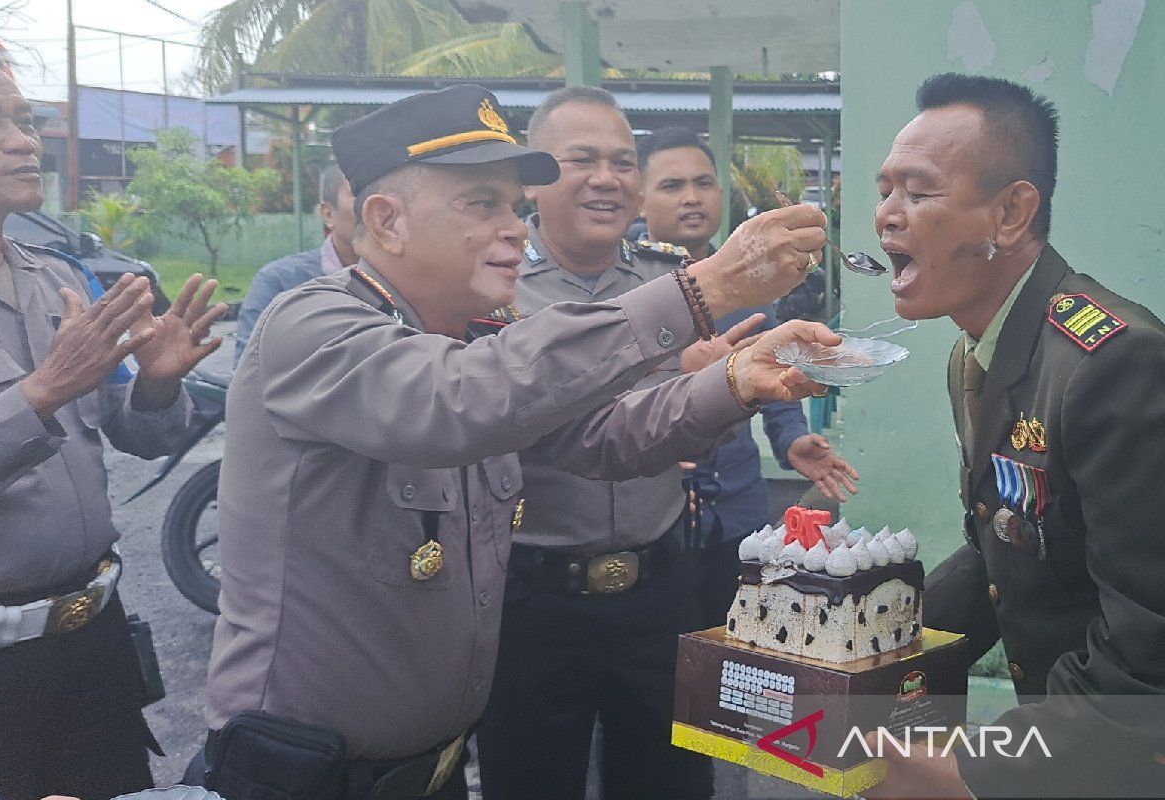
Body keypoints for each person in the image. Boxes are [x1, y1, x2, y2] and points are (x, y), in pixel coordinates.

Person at [204, 83, 835, 800]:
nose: (515, 227)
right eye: (482, 204)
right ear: (387, 219)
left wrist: (734, 381)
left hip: (428, 768)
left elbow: (604, 440)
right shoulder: (313, 323)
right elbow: (459, 400)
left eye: (512, 205)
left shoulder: (474, 340)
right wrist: (702, 290)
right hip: (302, 774)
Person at [475, 88, 828, 800]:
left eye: (621, 162)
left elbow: (697, 428)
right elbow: (536, 422)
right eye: (581, 160)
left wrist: (730, 387)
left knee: (670, 780)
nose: (606, 178)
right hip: (532, 596)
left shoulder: (670, 279)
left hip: (660, 584)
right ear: (535, 179)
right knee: (532, 780)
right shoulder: (493, 292)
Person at [865, 73, 1165, 799]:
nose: (886, 217)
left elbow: (1149, 644)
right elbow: (1001, 538)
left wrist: (976, 772)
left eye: (919, 190)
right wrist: (869, 648)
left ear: (1010, 213)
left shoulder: (1113, 362)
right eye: (884, 189)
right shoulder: (974, 352)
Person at [0, 43, 225, 800]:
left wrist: (155, 385)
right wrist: (41, 392)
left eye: (26, 120)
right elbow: (49, 400)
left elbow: (135, 436)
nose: (23, 140)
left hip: (94, 642)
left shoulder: (55, 279)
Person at [636, 126, 859, 627]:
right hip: (652, 518)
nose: (692, 198)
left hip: (737, 507)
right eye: (672, 186)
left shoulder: (755, 276)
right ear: (640, 198)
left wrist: (794, 438)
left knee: (738, 654)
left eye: (704, 183)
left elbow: (774, 374)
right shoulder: (623, 291)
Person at [233, 164, 357, 366]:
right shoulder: (280, 282)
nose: (373, 204)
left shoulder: (411, 282)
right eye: (360, 192)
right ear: (328, 214)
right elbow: (249, 378)